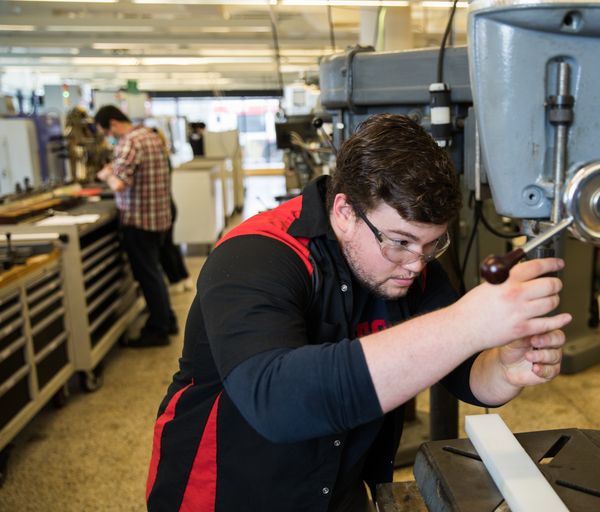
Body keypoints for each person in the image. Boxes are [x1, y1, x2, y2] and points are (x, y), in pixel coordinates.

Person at [146, 114, 571, 511]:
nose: (417, 264)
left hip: (340, 491)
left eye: (432, 244)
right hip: (227, 492)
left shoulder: (410, 266)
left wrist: (503, 368)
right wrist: (467, 323)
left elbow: (463, 371)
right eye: (400, 241)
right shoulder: (255, 256)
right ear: (345, 212)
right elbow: (275, 399)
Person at [95, 105, 177, 347]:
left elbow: (119, 184)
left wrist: (106, 175)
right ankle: (167, 319)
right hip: (158, 217)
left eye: (103, 132)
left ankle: (157, 330)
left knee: (148, 275)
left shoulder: (129, 142)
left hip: (139, 221)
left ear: (112, 124)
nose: (106, 137)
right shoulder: (150, 136)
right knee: (155, 273)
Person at [150, 127, 193, 295]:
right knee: (170, 245)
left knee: (166, 247)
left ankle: (177, 279)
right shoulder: (164, 156)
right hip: (168, 205)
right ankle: (183, 277)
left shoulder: (158, 157)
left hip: (163, 207)